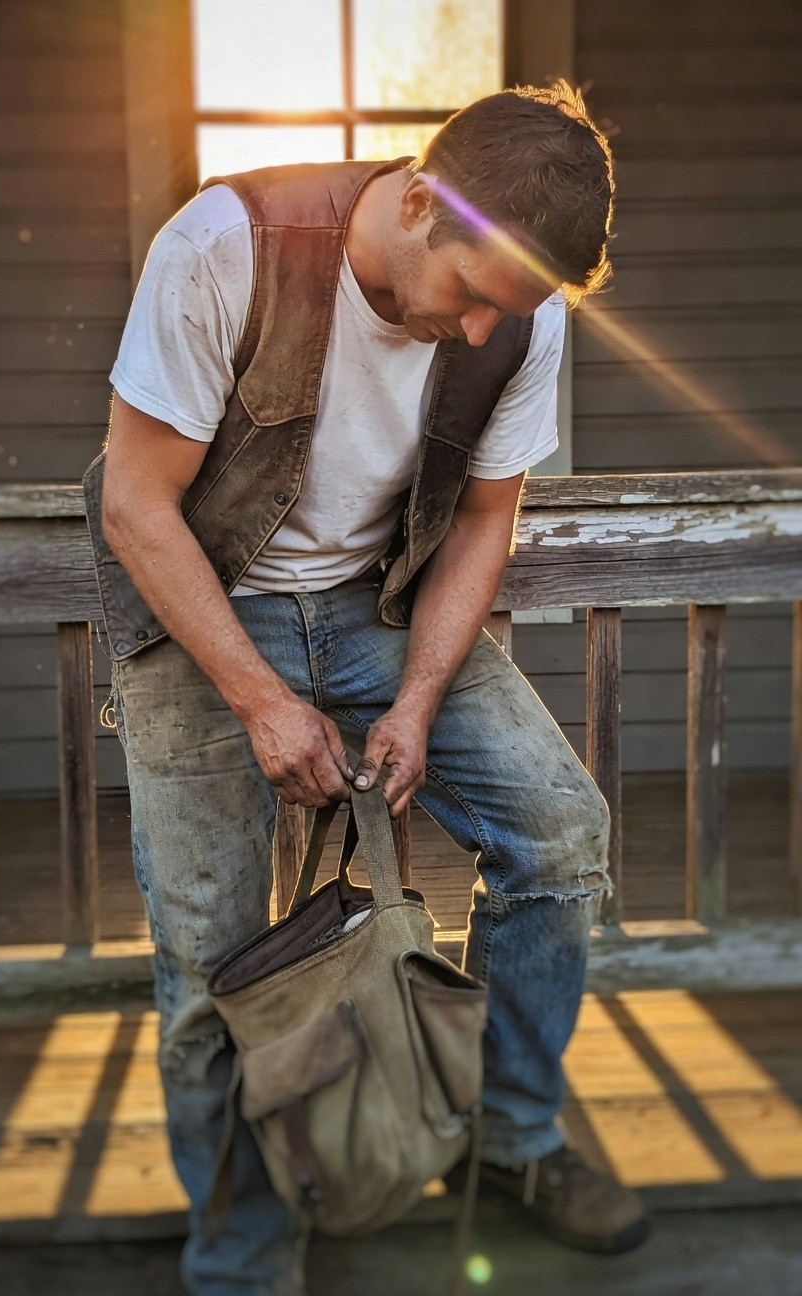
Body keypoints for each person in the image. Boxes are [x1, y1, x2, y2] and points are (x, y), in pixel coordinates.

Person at [87, 81, 649, 1296]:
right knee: (208, 955)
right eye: (469, 297)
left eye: (505, 313)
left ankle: (508, 1142)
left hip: (377, 613)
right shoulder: (222, 248)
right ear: (417, 201)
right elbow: (135, 503)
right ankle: (242, 1256)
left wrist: (414, 700)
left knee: (560, 834)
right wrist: (257, 699)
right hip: (205, 614)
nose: (475, 334)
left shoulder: (517, 313)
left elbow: (486, 521)